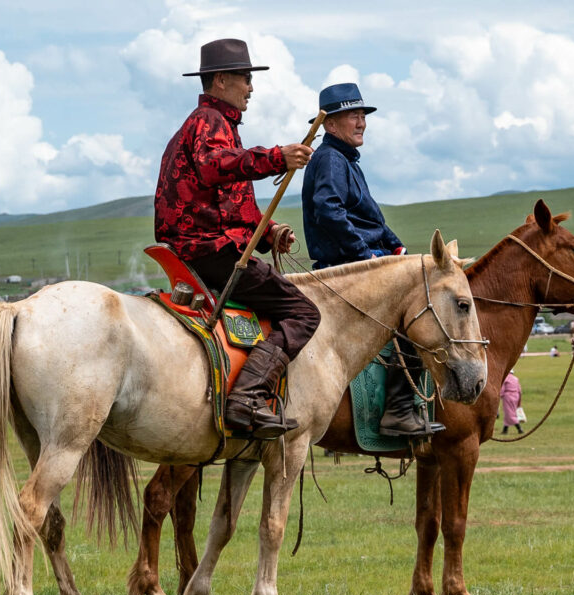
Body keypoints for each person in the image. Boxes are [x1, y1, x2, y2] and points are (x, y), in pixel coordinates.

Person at [154, 38, 320, 439]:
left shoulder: (215, 124)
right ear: (221, 80)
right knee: (306, 314)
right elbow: (215, 168)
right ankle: (246, 397)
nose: (251, 87)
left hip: (204, 246)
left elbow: (234, 208)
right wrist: (277, 158)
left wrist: (269, 232)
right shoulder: (209, 122)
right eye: (245, 78)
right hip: (210, 252)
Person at [300, 82, 439, 437]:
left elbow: (373, 222)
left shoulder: (345, 160)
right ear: (330, 125)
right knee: (418, 315)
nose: (361, 122)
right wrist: (367, 257)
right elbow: (328, 211)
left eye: (363, 115)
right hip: (345, 269)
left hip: (360, 261)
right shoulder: (331, 159)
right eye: (352, 115)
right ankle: (399, 410)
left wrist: (399, 251)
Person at [499, 369, 523, 435]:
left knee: (509, 413)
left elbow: (502, 390)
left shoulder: (505, 379)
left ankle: (519, 428)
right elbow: (519, 390)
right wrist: (519, 401)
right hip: (516, 396)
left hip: (508, 396)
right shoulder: (516, 379)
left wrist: (499, 396)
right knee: (509, 412)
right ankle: (505, 430)